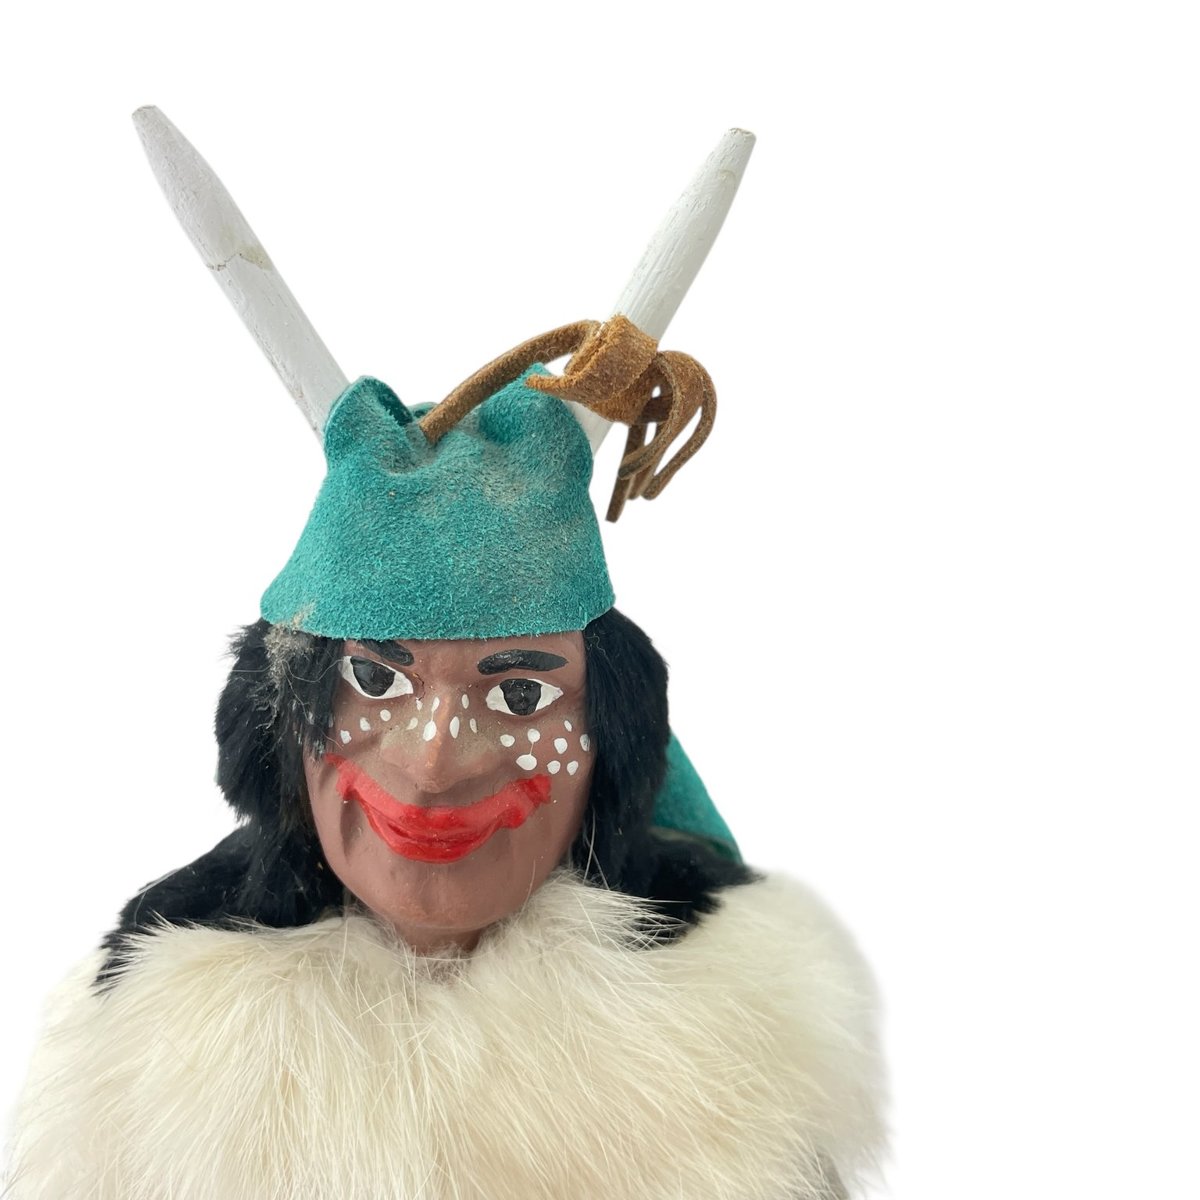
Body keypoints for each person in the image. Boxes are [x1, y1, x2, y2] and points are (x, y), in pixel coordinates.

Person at [4, 112, 884, 1200]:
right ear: (279, 717)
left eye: (519, 694)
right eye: (375, 679)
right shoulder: (140, 1059)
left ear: (609, 731)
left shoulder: (742, 1057)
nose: (430, 763)